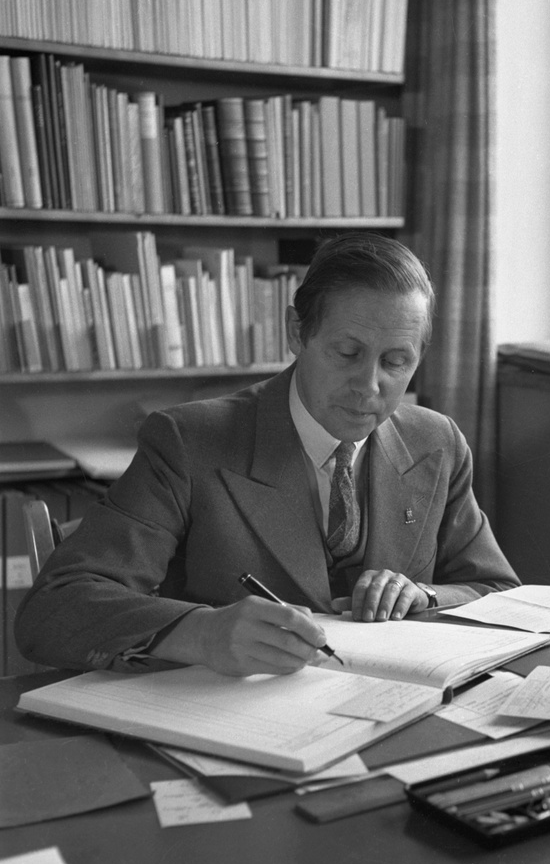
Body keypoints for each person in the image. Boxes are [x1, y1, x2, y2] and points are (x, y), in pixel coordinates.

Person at [15, 233, 519, 677]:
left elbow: (499, 590)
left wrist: (426, 596)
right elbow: (53, 610)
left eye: (396, 361)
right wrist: (202, 633)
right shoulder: (188, 441)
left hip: (385, 718)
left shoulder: (437, 442)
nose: (370, 386)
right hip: (227, 726)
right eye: (347, 354)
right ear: (297, 333)